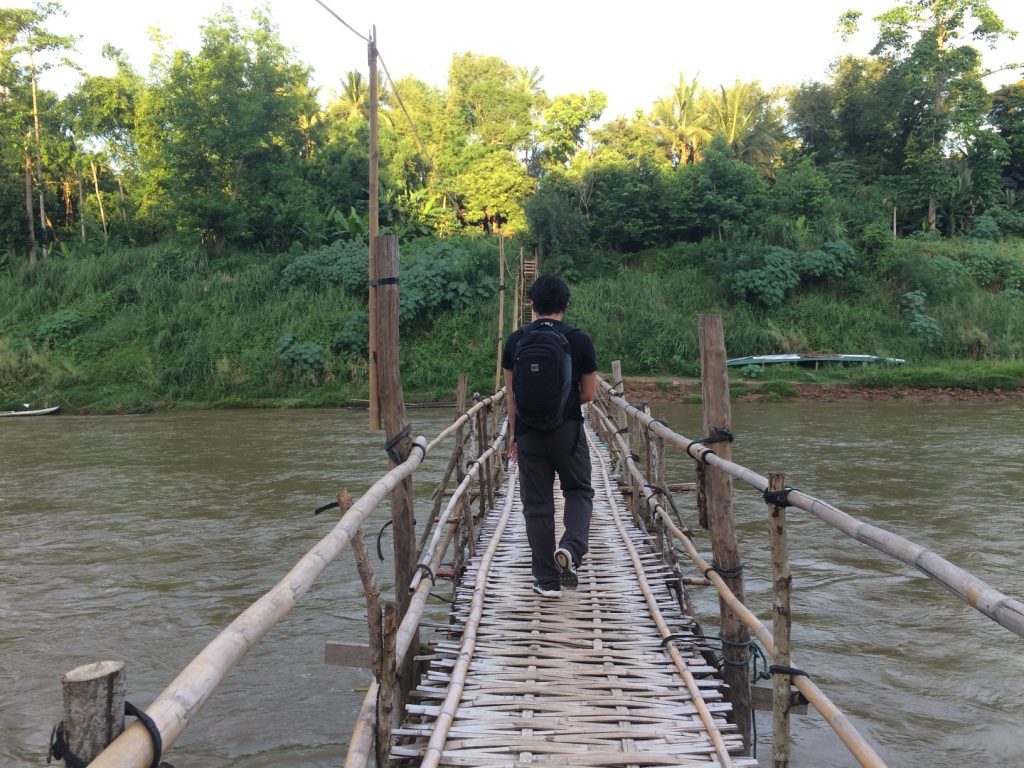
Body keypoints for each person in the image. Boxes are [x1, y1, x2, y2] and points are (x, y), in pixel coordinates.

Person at [502, 274, 597, 598]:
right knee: (579, 490)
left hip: (529, 434)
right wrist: (564, 401)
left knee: (537, 506)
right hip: (567, 432)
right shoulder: (579, 340)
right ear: (565, 305)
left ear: (533, 305)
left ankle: (546, 581)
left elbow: (511, 395)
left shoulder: (516, 341)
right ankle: (571, 547)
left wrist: (512, 437)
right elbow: (589, 394)